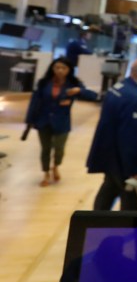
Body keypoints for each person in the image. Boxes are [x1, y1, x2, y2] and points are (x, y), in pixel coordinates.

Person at [86, 59, 137, 210]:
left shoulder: (118, 88)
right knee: (130, 201)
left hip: (111, 155)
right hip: (124, 163)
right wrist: (134, 169)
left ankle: (95, 222)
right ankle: (125, 230)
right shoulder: (136, 101)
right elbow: (131, 138)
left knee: (109, 189)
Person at [25, 57, 98, 187]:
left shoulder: (73, 84)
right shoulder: (43, 83)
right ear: (52, 68)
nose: (59, 70)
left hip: (62, 122)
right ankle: (46, 173)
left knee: (59, 148)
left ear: (69, 70)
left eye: (63, 68)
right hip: (44, 121)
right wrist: (30, 120)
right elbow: (34, 102)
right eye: (57, 67)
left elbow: (93, 96)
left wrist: (79, 90)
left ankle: (56, 165)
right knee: (45, 149)